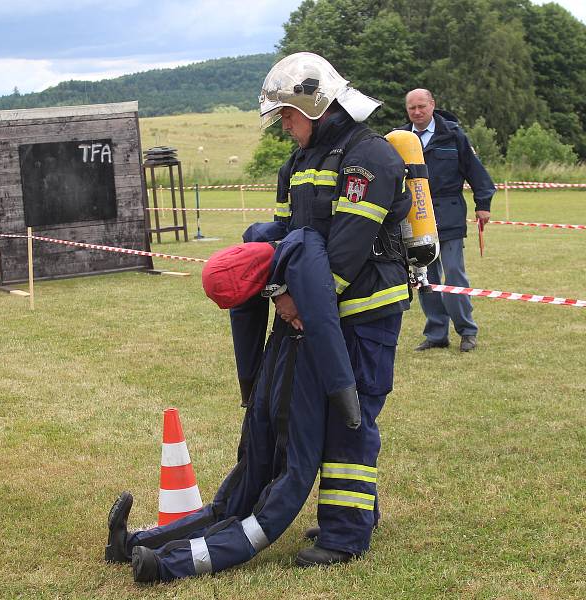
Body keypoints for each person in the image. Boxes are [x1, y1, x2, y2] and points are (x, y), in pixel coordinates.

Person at [104, 52, 411, 582]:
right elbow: (287, 241)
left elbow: (348, 250)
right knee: (312, 417)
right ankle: (354, 515)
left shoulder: (370, 158)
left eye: (288, 115)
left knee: (352, 416)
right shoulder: (298, 163)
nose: (284, 127)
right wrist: (266, 281)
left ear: (316, 103)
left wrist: (299, 302)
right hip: (310, 315)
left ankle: (345, 535)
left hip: (363, 313)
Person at [399, 89, 495, 352]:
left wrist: (483, 204)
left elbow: (476, 171)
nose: (417, 112)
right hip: (416, 217)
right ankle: (436, 333)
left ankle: (467, 330)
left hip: (449, 212)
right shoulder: (400, 139)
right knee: (425, 276)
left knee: (453, 273)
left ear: (432, 106)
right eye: (411, 108)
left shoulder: (453, 135)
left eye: (421, 106)